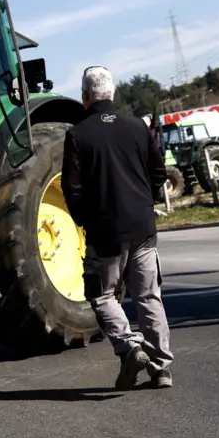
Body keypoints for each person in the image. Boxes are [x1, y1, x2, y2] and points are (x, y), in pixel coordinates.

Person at [61, 65, 175, 390]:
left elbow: (73, 190)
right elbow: (158, 172)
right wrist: (145, 202)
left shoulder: (78, 135)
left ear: (85, 97)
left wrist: (86, 221)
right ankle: (161, 368)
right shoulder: (138, 126)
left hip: (105, 232)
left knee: (101, 294)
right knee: (149, 296)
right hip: (143, 226)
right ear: (112, 93)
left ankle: (130, 347)